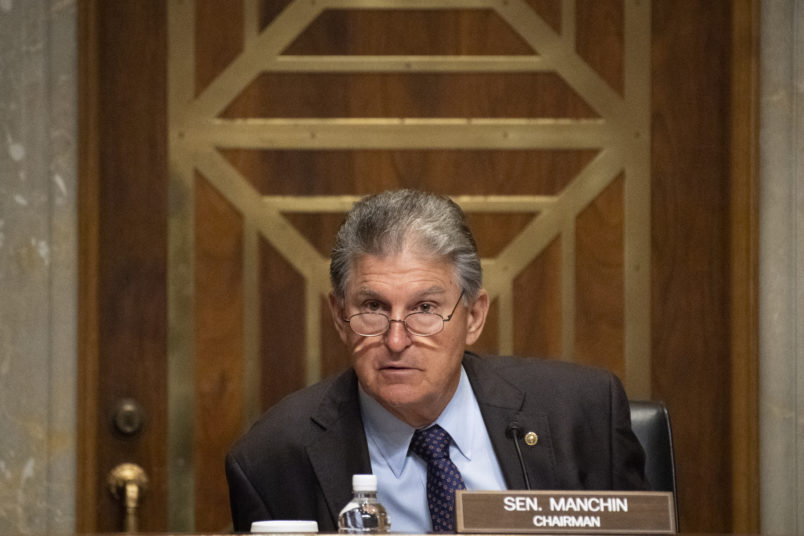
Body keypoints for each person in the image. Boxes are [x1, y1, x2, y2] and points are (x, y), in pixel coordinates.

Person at [225, 189, 647, 533]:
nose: (395, 340)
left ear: (474, 317)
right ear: (339, 317)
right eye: (373, 307)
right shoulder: (272, 459)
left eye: (425, 308)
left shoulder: (582, 413)